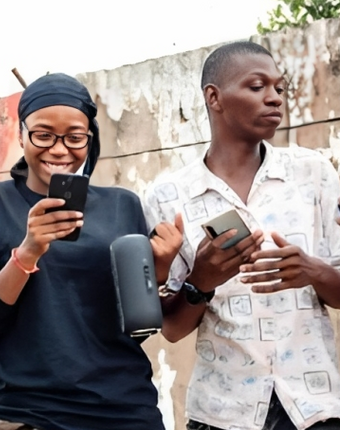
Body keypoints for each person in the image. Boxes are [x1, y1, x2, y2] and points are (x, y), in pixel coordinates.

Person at [0, 73, 184, 430]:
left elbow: (140, 325)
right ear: (21, 134)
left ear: (90, 139)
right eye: (43, 135)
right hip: (30, 414)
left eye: (75, 137)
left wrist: (161, 268)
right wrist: (27, 252)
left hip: (124, 411)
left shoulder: (122, 205)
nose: (59, 150)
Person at [145, 41, 340, 430]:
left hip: (315, 408)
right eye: (257, 87)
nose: (274, 98)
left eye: (279, 89)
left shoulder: (313, 173)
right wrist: (201, 281)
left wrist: (313, 271)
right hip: (222, 413)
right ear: (214, 97)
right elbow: (172, 329)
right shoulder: (169, 195)